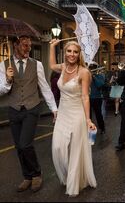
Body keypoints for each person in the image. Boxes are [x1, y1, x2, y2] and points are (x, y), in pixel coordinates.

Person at [0, 35, 57, 192]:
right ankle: (27, 176)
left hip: (32, 108)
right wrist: (8, 81)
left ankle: (37, 174)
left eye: (30, 46)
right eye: (25, 45)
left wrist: (54, 109)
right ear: (16, 45)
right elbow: (1, 90)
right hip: (14, 110)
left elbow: (45, 87)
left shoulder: (36, 64)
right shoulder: (4, 65)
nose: (28, 49)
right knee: (19, 147)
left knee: (26, 144)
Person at [49, 39, 97, 196]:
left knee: (75, 150)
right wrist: (51, 47)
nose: (72, 54)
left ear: (79, 54)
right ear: (65, 52)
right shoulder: (62, 68)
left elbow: (85, 97)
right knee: (58, 147)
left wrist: (88, 119)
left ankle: (74, 181)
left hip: (77, 115)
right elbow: (51, 65)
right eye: (69, 51)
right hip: (63, 114)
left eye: (75, 52)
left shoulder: (84, 72)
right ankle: (67, 174)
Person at [89, 61, 106, 135]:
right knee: (88, 115)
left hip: (97, 98)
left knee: (98, 114)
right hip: (88, 97)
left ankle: (102, 128)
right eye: (90, 68)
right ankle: (89, 129)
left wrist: (94, 76)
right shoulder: (87, 75)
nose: (92, 69)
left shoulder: (100, 76)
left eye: (93, 68)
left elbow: (100, 85)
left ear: (96, 68)